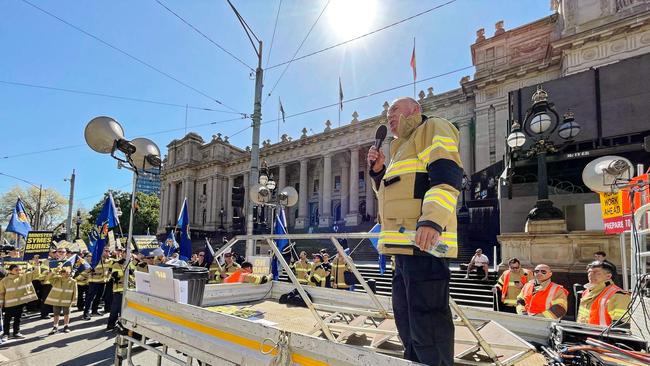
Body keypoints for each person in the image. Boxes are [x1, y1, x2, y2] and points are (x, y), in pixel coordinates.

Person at [367, 96, 461, 365]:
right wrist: (378, 172)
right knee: (407, 323)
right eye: (387, 114)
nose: (390, 116)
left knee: (428, 324)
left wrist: (432, 220)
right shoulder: (401, 148)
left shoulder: (433, 128)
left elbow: (446, 175)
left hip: (424, 245)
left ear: (415, 110)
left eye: (395, 109)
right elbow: (393, 195)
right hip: (403, 250)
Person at [577, 261, 630, 326]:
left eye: (596, 272)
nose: (590, 275)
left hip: (603, 335)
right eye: (589, 272)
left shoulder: (618, 295)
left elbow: (621, 326)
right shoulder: (586, 292)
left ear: (608, 276)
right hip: (584, 334)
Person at [0, 258, 40, 340]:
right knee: (7, 320)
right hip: (9, 304)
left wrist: (37, 264)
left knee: (18, 319)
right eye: (16, 269)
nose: (19, 271)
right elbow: (1, 293)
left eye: (20, 269)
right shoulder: (4, 281)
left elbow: (35, 274)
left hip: (20, 303)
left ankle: (16, 333)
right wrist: (1, 302)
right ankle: (6, 334)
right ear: (10, 271)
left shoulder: (24, 277)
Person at [107, 248, 135, 330]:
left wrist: (130, 272)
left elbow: (133, 277)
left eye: (129, 254)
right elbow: (115, 276)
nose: (127, 255)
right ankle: (111, 324)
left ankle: (122, 324)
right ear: (122, 254)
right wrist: (125, 270)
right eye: (126, 253)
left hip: (129, 290)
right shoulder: (117, 264)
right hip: (118, 290)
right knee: (115, 309)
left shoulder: (131, 264)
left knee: (124, 310)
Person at [45, 266, 77, 334]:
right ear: (61, 274)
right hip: (56, 300)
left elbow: (75, 292)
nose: (66, 274)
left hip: (67, 300)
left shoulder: (73, 281)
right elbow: (48, 278)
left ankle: (66, 326)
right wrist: (56, 270)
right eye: (64, 273)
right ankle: (55, 327)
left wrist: (74, 300)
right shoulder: (57, 279)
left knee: (66, 314)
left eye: (68, 273)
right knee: (56, 314)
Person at [83, 247, 112, 320]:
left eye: (108, 251)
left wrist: (108, 278)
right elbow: (85, 265)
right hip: (94, 281)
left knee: (99, 297)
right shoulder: (94, 258)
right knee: (90, 298)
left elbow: (110, 271)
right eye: (106, 251)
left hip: (102, 282)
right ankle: (86, 313)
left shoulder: (108, 260)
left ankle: (94, 311)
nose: (108, 252)